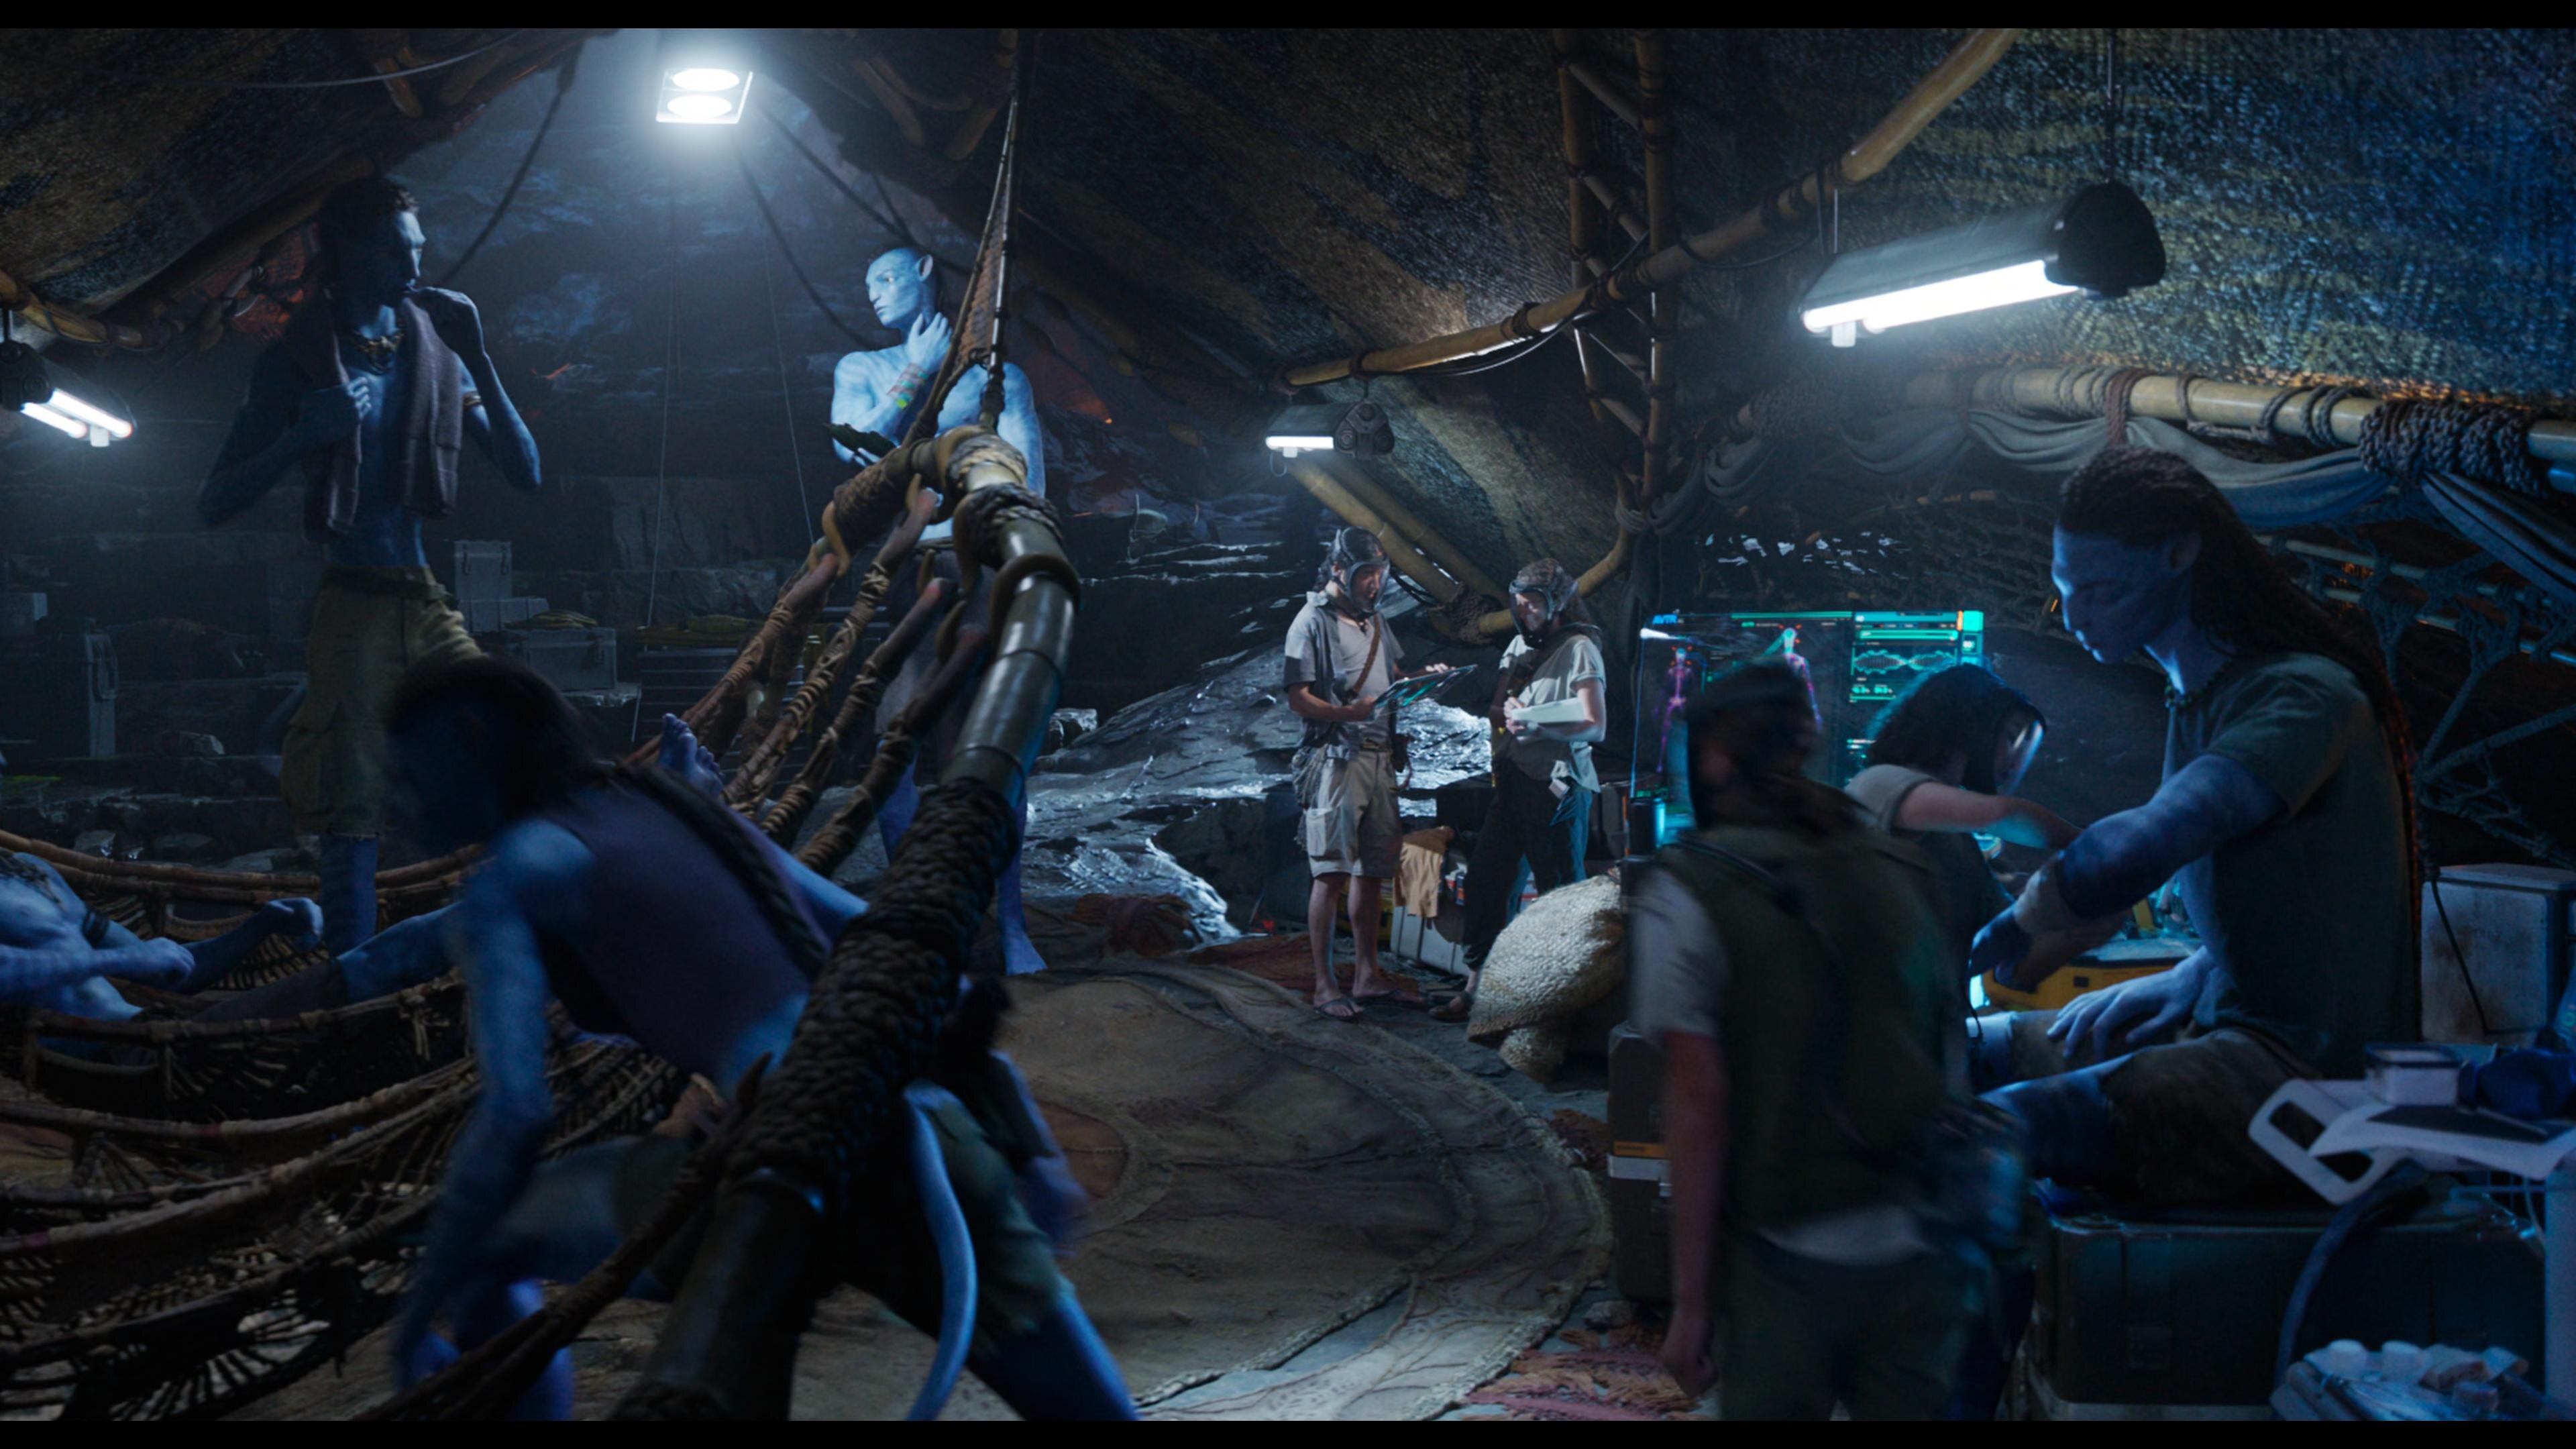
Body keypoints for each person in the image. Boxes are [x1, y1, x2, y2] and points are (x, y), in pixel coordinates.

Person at [381, 658, 1132, 1420]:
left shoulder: (513, 873)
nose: (401, 805)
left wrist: (411, 1328)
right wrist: (1025, 1147)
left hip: (768, 1177)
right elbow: (901, 954)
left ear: (469, 737)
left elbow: (515, 1113)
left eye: (409, 775)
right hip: (920, 1130)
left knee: (481, 1246)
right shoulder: (677, 809)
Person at [1968, 445, 2417, 1204]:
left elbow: (2146, 844)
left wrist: (2010, 928)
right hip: (2227, 1033)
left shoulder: (2303, 697)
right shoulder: (2201, 700)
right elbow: (2308, 907)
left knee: (1980, 1137)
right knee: (1955, 1053)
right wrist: (2197, 974)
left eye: (2100, 591)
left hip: (2307, 1086)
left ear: (2180, 554)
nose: (2072, 617)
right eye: (2064, 590)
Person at [198, 174, 543, 959]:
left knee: (505, 741)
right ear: (343, 251)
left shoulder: (437, 348)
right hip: (352, 603)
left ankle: (508, 943)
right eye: (392, 252)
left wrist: (477, 353)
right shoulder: (294, 361)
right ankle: (348, 986)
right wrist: (299, 436)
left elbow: (526, 473)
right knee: (349, 810)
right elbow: (214, 502)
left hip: (424, 597)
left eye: (417, 250)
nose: (413, 268)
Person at [1631, 662, 1974, 1421]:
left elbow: (1699, 1102)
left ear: (1714, 761)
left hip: (1787, 1255)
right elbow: (1945, 1043)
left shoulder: (1688, 888)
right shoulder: (1899, 864)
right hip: (1923, 1244)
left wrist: (1691, 1307)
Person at [832, 245, 1049, 975]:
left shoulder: (995, 380)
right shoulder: (861, 369)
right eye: (867, 283)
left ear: (926, 272)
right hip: (909, 573)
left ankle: (1010, 924)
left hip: (982, 568)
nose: (875, 293)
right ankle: (923, 919)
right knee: (897, 737)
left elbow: (1025, 480)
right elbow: (859, 456)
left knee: (992, 746)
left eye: (888, 277)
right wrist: (917, 373)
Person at [1282, 527, 1448, 1020]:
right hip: (1337, 759)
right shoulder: (1310, 622)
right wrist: (1346, 714)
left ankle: (1367, 976)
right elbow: (1298, 697)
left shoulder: (1375, 620)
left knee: (1373, 871)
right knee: (1331, 872)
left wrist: (1425, 682)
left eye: (1379, 574)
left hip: (1379, 757)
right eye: (1366, 575)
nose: (1375, 584)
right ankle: (1324, 986)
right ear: (1339, 570)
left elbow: (1394, 681)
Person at [1436, 558, 1607, 1024]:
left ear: (1557, 605)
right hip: (1513, 779)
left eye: (1534, 603)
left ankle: (1565, 1004)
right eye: (1520, 602)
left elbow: (1595, 723)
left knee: (1559, 893)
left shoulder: (1579, 649)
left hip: (1555, 787)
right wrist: (1485, 703)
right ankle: (1481, 989)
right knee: (1487, 881)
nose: (1525, 611)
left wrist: (1539, 723)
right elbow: (1498, 711)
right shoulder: (1517, 646)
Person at [1844, 664, 2088, 971]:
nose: (2016, 764)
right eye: (2011, 737)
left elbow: (2010, 948)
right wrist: (2100, 845)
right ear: (1974, 726)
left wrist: (2084, 921)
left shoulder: (1959, 843)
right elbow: (2003, 814)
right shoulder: (1878, 783)